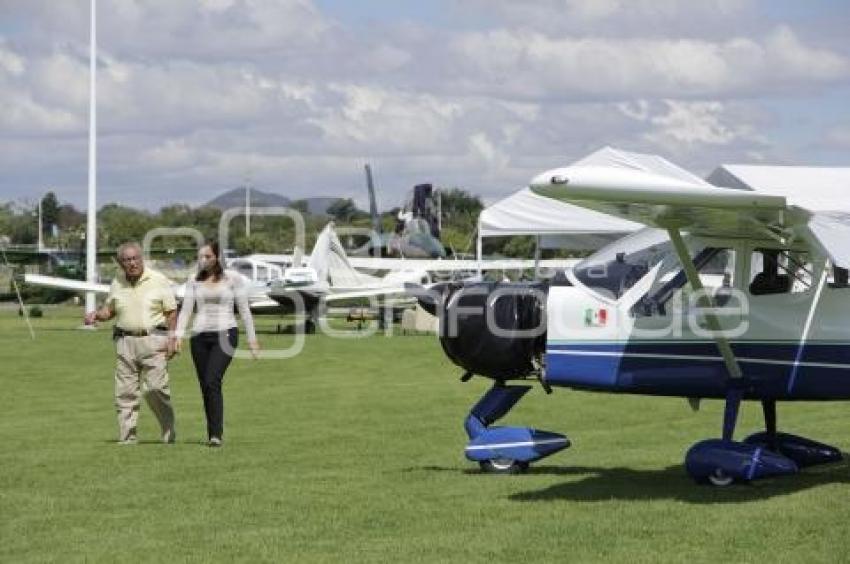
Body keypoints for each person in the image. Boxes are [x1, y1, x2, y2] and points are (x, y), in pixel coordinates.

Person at [84, 241, 178, 445]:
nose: (132, 263)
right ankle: (127, 437)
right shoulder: (117, 282)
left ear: (141, 258)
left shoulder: (158, 280)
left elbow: (171, 312)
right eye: (127, 260)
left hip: (154, 340)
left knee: (155, 388)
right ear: (120, 262)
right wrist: (96, 316)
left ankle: (168, 428)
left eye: (135, 258)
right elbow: (111, 310)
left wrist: (172, 339)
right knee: (125, 393)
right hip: (125, 342)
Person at [172, 241, 259, 447]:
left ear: (218, 257)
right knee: (206, 386)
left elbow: (244, 310)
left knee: (212, 380)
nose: (203, 260)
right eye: (200, 257)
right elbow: (186, 311)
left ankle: (216, 435)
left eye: (208, 256)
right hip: (199, 337)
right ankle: (212, 433)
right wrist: (177, 336)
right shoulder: (193, 280)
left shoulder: (233, 279)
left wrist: (252, 339)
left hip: (225, 333)